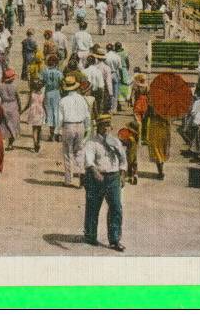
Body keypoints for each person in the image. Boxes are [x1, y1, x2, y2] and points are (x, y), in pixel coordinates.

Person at [82, 114, 127, 251]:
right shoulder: (91, 143)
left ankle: (114, 240)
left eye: (108, 125)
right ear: (98, 127)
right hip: (97, 178)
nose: (106, 128)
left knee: (116, 207)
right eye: (103, 125)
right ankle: (90, 235)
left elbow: (123, 159)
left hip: (113, 177)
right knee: (93, 207)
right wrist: (96, 173)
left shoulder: (115, 142)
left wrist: (123, 174)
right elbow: (89, 161)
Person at [59, 75, 91, 187]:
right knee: (79, 151)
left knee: (68, 153)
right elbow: (87, 115)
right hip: (80, 125)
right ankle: (82, 174)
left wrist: (58, 131)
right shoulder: (82, 99)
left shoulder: (63, 101)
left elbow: (60, 118)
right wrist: (88, 128)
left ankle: (68, 180)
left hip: (68, 126)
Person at [41, 54, 64, 142]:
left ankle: (51, 135)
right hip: (56, 93)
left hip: (48, 93)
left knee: (49, 113)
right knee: (57, 113)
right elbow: (62, 83)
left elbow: (42, 82)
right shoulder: (59, 72)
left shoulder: (44, 72)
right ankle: (57, 133)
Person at [0, 68, 22, 151]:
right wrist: (20, 108)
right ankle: (10, 144)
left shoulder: (0, 87)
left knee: (3, 126)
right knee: (13, 126)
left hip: (3, 105)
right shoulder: (15, 87)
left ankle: (2, 143)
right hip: (13, 106)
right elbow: (18, 99)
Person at [22, 78, 46, 153]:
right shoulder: (42, 94)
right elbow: (44, 105)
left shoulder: (31, 93)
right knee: (39, 128)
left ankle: (35, 143)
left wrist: (22, 111)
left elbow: (28, 105)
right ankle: (38, 142)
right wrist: (47, 114)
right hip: (40, 111)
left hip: (33, 111)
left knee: (34, 129)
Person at [131, 70, 150, 139]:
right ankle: (144, 136)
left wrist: (131, 102)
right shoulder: (147, 86)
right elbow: (149, 95)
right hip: (145, 103)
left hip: (138, 102)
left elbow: (132, 95)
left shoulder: (136, 85)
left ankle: (137, 135)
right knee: (145, 120)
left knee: (137, 120)